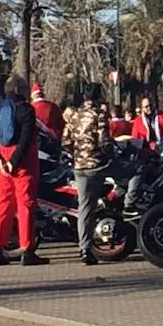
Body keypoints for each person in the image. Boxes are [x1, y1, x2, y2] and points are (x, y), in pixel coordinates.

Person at [0, 74, 47, 266]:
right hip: (23, 162)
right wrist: (15, 160)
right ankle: (26, 249)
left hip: (1, 161)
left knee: (2, 204)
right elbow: (27, 137)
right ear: (21, 90)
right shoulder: (26, 109)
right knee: (25, 204)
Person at [62, 83, 112, 265]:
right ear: (98, 97)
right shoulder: (99, 114)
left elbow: (66, 141)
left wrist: (75, 155)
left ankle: (84, 247)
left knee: (84, 207)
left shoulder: (74, 115)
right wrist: (109, 154)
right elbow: (104, 140)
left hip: (79, 166)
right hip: (96, 165)